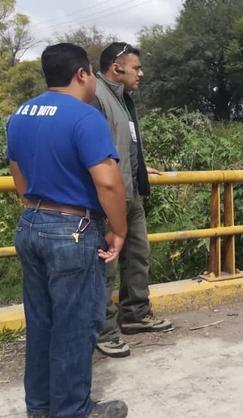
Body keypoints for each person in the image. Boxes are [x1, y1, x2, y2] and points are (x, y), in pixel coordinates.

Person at [7, 43, 129, 418]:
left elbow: (18, 173)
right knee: (76, 326)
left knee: (42, 323)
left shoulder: (21, 114)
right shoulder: (85, 116)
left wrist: (38, 207)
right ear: (81, 73)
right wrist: (118, 231)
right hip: (73, 230)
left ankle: (41, 408)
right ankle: (73, 410)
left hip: (31, 223)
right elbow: (108, 183)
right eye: (91, 72)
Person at [92, 42, 172, 359]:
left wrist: (139, 167)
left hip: (131, 191)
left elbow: (123, 144)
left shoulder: (122, 98)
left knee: (138, 256)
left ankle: (136, 315)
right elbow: (98, 153)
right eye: (136, 67)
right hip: (109, 198)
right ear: (117, 66)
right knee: (107, 267)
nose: (141, 73)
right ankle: (104, 330)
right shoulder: (97, 96)